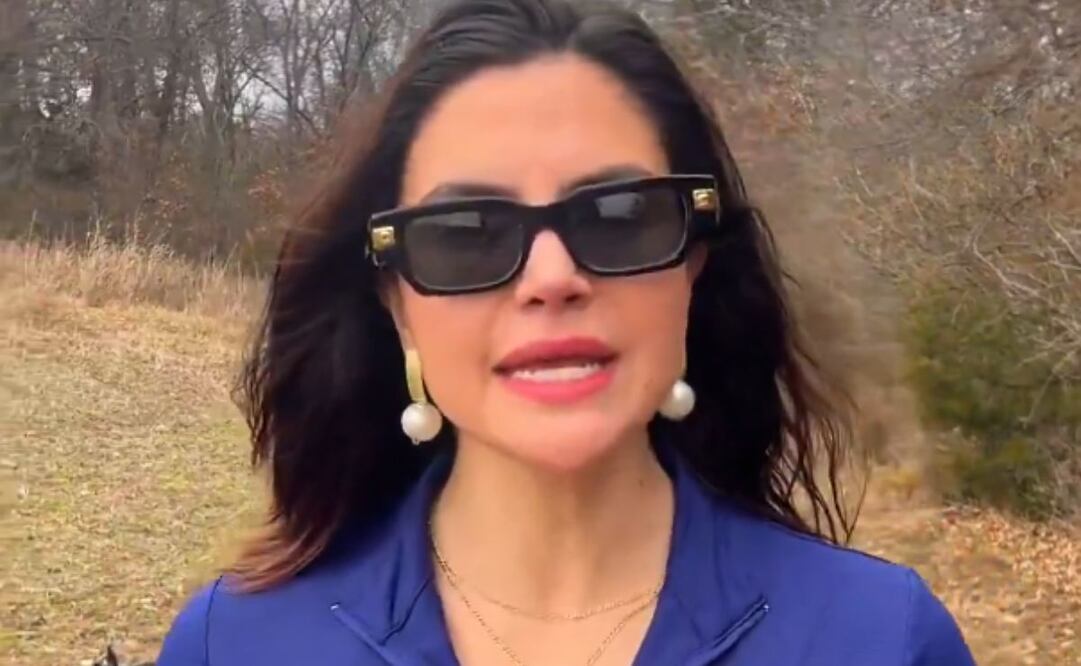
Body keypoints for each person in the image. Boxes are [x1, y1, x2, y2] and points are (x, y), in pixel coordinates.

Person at [157, 0, 977, 664]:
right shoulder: (230, 645)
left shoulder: (880, 640)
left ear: (693, 267)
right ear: (396, 298)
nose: (551, 280)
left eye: (619, 217)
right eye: (467, 231)